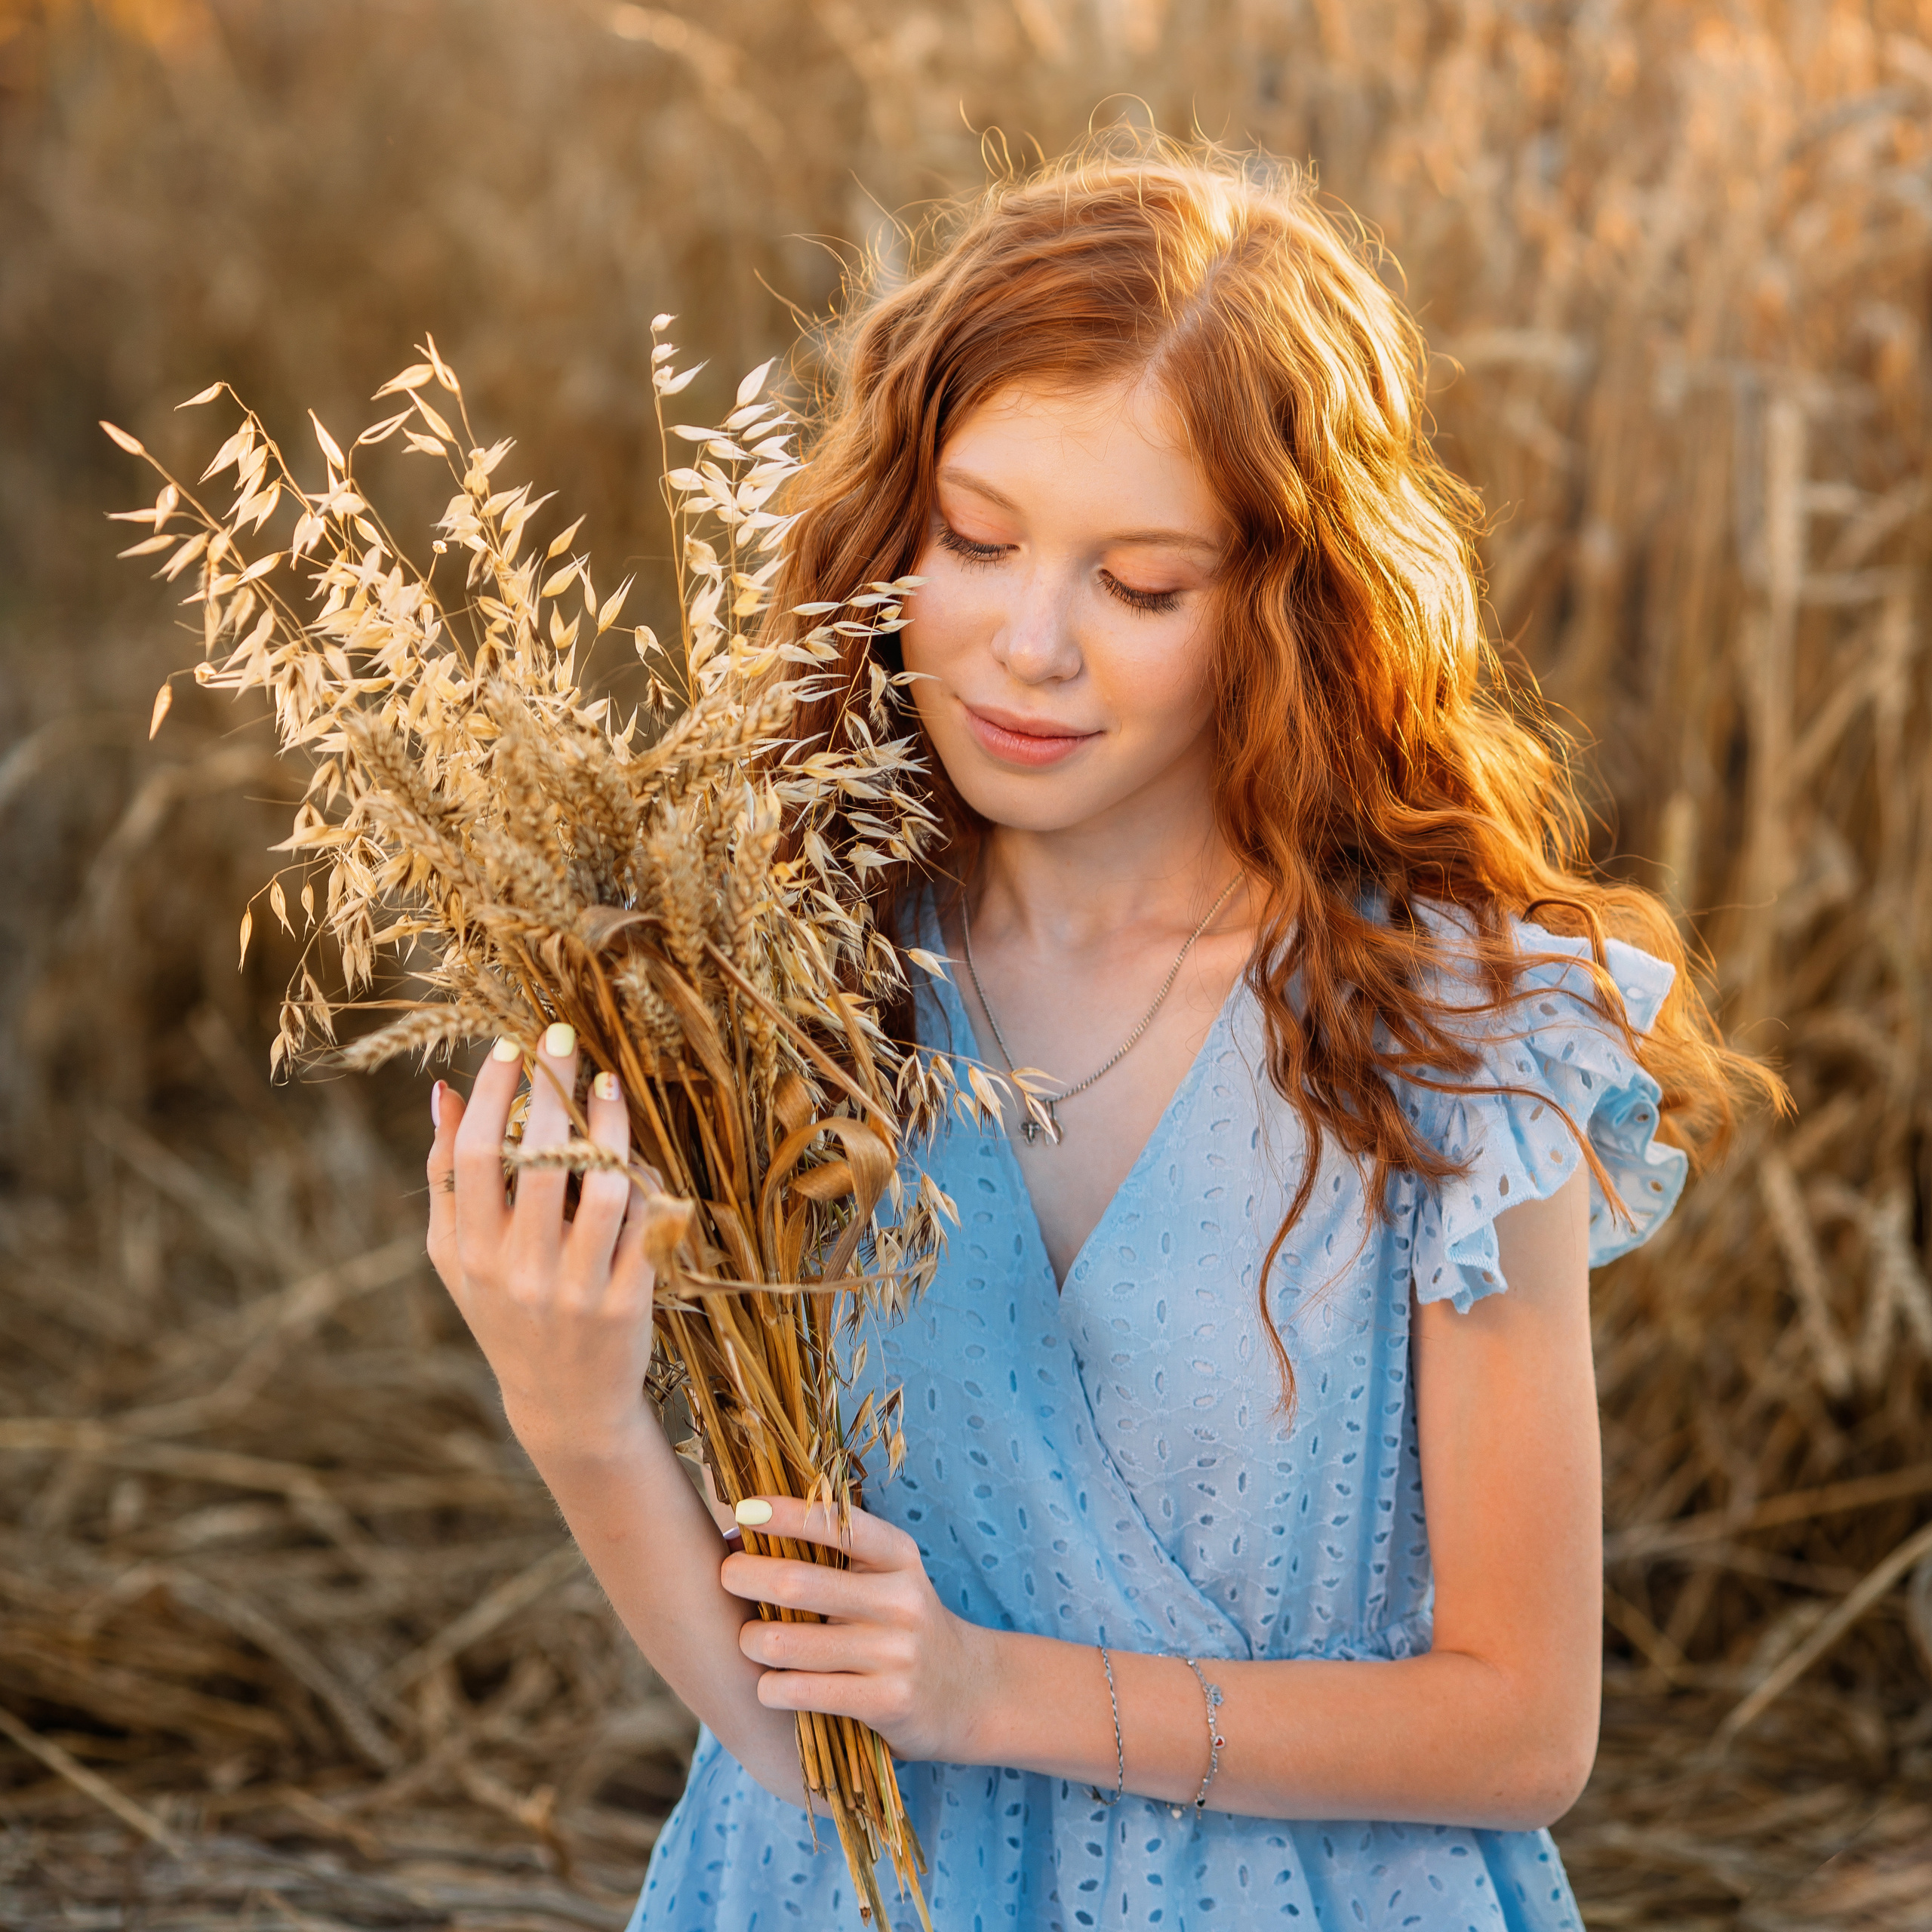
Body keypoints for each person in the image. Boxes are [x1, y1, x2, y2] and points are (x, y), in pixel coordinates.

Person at [425, 144, 1768, 1930]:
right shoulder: (786, 974)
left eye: (1139, 582)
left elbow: (1523, 1725)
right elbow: (788, 1726)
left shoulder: (1449, 1032)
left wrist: (990, 1692)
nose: (1023, 645)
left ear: (1284, 606)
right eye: (973, 539)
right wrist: (575, 1413)